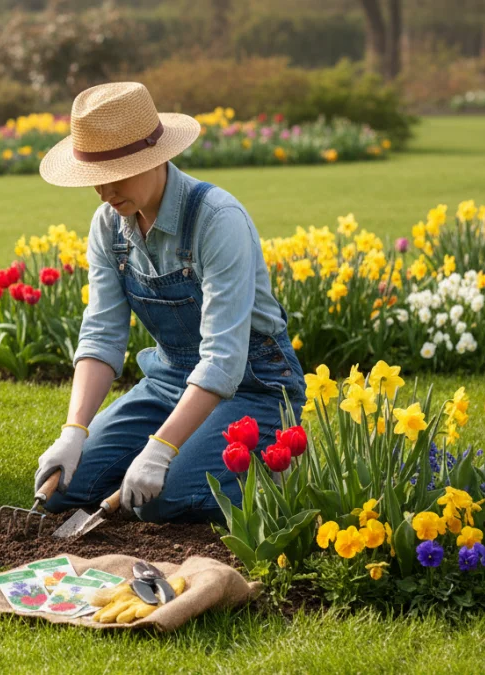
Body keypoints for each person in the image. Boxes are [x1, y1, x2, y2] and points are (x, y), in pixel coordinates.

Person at [33, 82, 305, 523]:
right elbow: (101, 335)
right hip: (168, 382)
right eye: (93, 179)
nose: (103, 192)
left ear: (153, 159)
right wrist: (74, 431)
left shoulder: (217, 220)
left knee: (161, 499)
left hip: (251, 387)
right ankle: (178, 455)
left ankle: (289, 469)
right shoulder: (109, 225)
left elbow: (223, 360)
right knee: (68, 486)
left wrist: (160, 449)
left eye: (115, 174)